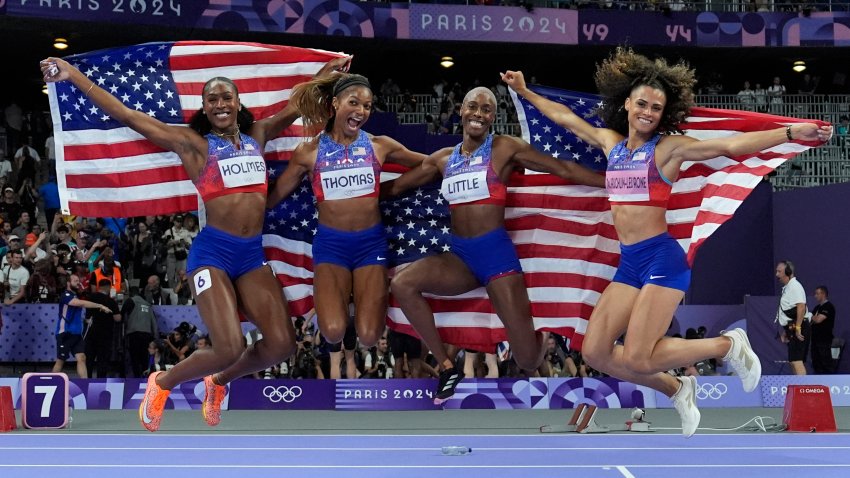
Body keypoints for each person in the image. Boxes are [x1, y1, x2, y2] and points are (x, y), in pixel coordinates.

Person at [502, 49, 829, 437]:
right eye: (642, 103)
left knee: (640, 354)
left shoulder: (668, 149)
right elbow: (565, 117)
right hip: (629, 263)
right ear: (626, 103)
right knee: (595, 352)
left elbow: (728, 147)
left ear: (663, 114)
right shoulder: (611, 143)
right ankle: (677, 387)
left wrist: (790, 133)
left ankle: (726, 345)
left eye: (656, 107)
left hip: (662, 258)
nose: (648, 112)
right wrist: (525, 92)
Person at [42, 53, 350, 431]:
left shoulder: (259, 135)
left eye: (226, 97)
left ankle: (217, 383)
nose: (220, 104)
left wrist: (325, 75)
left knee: (282, 345)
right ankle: (162, 383)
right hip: (213, 255)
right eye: (212, 99)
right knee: (228, 347)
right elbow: (128, 116)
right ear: (204, 107)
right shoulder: (193, 145)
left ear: (238, 103)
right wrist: (72, 75)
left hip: (251, 257)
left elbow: (296, 105)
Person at [389, 86, 606, 403]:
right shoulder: (442, 160)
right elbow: (396, 187)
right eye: (473, 106)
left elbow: (562, 168)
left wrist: (612, 182)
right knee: (403, 283)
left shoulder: (504, 148)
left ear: (493, 117)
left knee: (527, 359)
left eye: (487, 109)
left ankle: (541, 332)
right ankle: (448, 367)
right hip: (460, 258)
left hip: (497, 258)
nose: (479, 113)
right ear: (461, 111)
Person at [267, 73, 427, 351]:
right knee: (332, 332)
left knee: (368, 337)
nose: (362, 111)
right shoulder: (308, 152)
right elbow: (274, 197)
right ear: (335, 103)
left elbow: (428, 165)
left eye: (367, 106)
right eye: (354, 102)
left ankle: (360, 304)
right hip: (331, 247)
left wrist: (392, 189)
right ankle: (345, 304)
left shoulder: (380, 145)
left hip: (371, 245)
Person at [52, 273, 114, 378]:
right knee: (60, 361)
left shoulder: (75, 296)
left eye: (78, 281)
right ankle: (49, 382)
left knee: (81, 357)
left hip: (76, 334)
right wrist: (100, 305)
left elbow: (73, 313)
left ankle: (84, 384)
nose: (78, 283)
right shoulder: (66, 295)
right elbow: (79, 303)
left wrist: (84, 320)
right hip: (65, 334)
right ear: (68, 283)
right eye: (75, 281)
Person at [775, 260, 811, 376]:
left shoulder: (795, 286)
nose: (777, 275)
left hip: (800, 326)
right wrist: (788, 330)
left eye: (779, 271)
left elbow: (801, 307)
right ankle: (799, 389)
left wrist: (798, 327)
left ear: (788, 272)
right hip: (794, 326)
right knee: (792, 361)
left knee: (797, 361)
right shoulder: (788, 288)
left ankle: (803, 392)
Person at [85, 278, 121, 378]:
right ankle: (100, 382)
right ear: (108, 287)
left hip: (90, 333)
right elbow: (117, 318)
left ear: (98, 287)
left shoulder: (90, 297)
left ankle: (86, 380)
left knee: (89, 359)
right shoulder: (111, 301)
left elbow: (85, 315)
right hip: (105, 335)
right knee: (102, 360)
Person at [810, 285, 835, 374]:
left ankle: (830, 382)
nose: (815, 296)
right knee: (816, 362)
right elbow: (811, 321)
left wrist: (809, 315)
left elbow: (818, 320)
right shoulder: (817, 308)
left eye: (817, 294)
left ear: (823, 294)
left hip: (824, 340)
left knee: (826, 362)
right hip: (815, 340)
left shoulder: (828, 307)